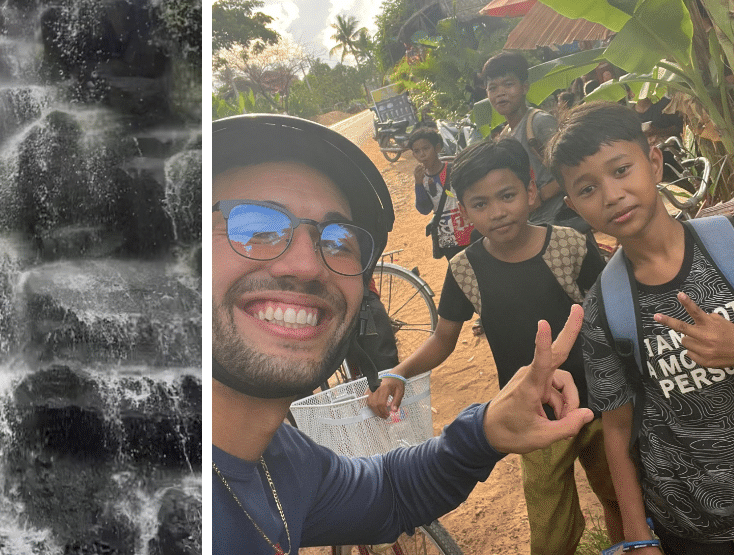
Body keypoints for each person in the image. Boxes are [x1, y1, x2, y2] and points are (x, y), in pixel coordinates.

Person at [211, 114, 594, 552]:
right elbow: (443, 338)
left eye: (338, 241)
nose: (307, 265)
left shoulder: (283, 461)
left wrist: (484, 429)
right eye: (255, 229)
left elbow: (389, 491)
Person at [552, 101, 734, 555]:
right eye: (587, 188)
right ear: (572, 206)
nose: (612, 195)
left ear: (654, 161)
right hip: (687, 510)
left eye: (622, 169)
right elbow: (617, 431)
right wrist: (639, 537)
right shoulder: (604, 308)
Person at [366, 139, 622, 555]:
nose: (498, 211)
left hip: (599, 400)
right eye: (481, 204)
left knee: (616, 495)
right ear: (464, 213)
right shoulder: (465, 269)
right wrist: (398, 372)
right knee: (549, 523)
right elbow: (443, 338)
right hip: (531, 412)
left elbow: (611, 311)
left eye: (507, 195)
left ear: (531, 191)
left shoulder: (570, 246)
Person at [483, 52, 584, 232]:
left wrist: (541, 196)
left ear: (524, 87)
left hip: (562, 220)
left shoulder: (539, 123)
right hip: (534, 225)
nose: (500, 93)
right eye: (493, 88)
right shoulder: (505, 135)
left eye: (508, 84)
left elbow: (573, 169)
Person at [407, 129, 474, 261]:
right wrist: (418, 184)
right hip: (448, 237)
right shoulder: (422, 179)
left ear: (437, 148)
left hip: (470, 230)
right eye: (417, 151)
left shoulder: (455, 169)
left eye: (426, 148)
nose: (422, 155)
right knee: (461, 273)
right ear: (413, 154)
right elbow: (424, 209)